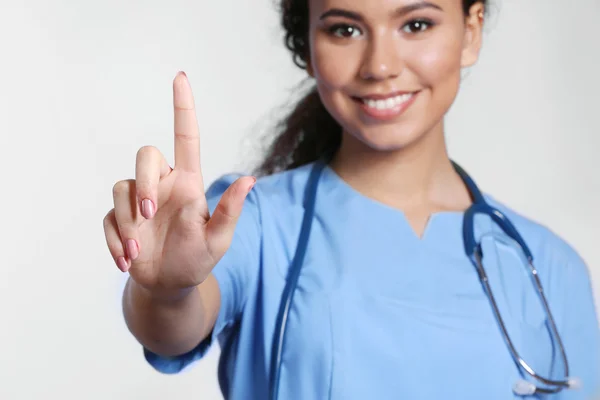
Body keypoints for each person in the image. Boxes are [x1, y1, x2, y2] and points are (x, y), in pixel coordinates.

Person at [103, 0, 600, 398]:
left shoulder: (550, 269)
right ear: (309, 40)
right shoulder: (254, 221)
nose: (380, 65)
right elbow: (174, 328)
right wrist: (166, 290)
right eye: (345, 29)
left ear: (471, 30)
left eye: (417, 24)